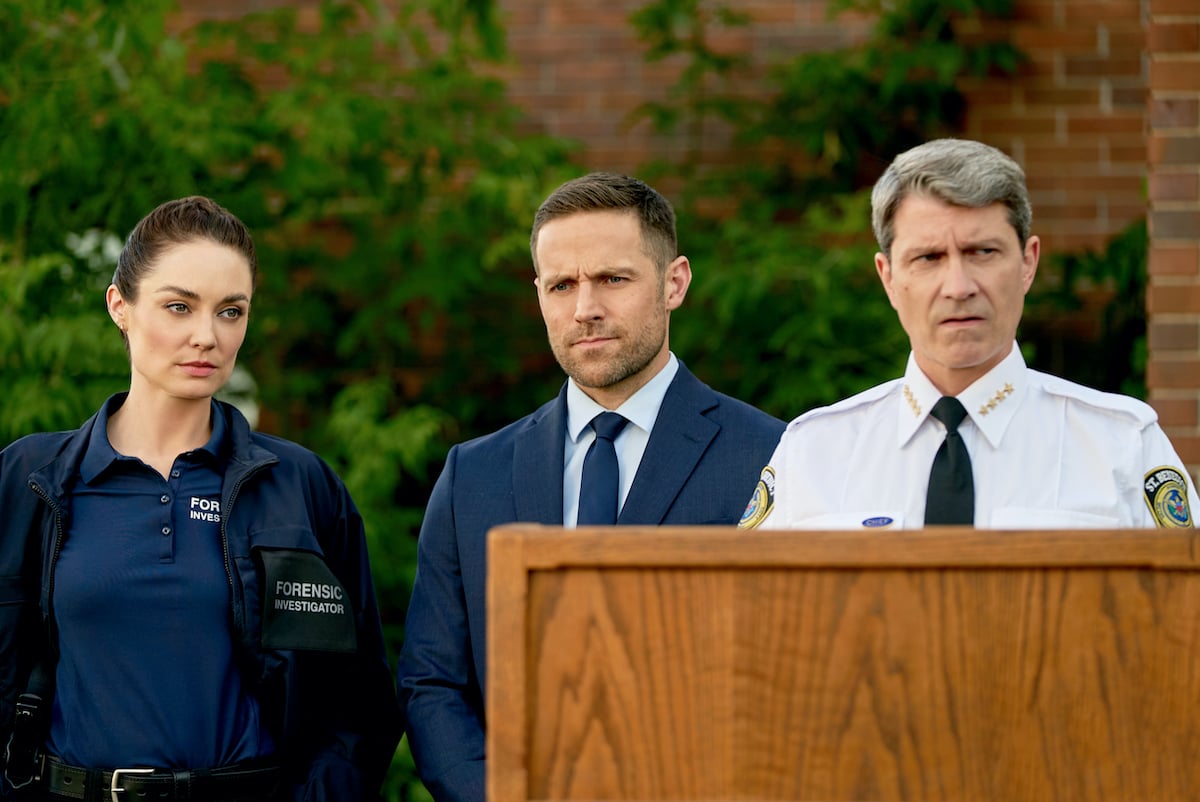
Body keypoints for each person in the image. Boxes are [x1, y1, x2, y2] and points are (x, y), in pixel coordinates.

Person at [397, 172, 785, 801]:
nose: (585, 309)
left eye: (612, 278)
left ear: (674, 282)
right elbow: (432, 681)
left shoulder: (770, 455)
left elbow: (791, 677)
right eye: (562, 285)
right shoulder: (475, 474)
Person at [0, 197, 401, 801]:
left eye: (230, 311)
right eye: (179, 306)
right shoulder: (33, 478)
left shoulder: (299, 486)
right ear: (120, 306)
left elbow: (360, 704)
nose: (206, 336)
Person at [739, 138, 1198, 531]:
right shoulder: (814, 453)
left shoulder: (1121, 447)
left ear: (1027, 263)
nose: (959, 287)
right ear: (888, 278)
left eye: (983, 251)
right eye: (929, 258)